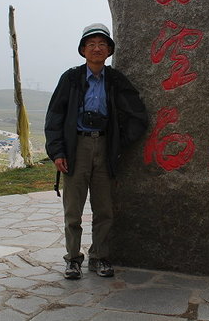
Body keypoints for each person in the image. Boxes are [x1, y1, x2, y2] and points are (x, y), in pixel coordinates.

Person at [45, 23, 148, 280]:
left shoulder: (115, 80)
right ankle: (72, 259)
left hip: (104, 147)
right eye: (91, 44)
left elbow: (138, 115)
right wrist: (58, 152)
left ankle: (100, 257)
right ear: (82, 50)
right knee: (73, 211)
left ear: (109, 50)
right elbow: (54, 117)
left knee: (104, 210)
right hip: (75, 147)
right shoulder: (70, 79)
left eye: (102, 44)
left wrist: (118, 143)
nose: (97, 49)